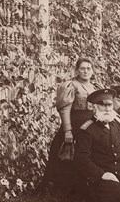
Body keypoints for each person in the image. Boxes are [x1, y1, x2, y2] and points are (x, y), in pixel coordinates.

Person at [42, 57, 99, 191]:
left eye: (88, 68)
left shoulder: (94, 87)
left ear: (92, 70)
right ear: (76, 70)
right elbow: (65, 109)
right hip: (74, 124)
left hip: (89, 126)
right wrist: (68, 130)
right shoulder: (70, 85)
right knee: (69, 158)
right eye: (82, 68)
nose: (85, 71)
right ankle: (64, 193)